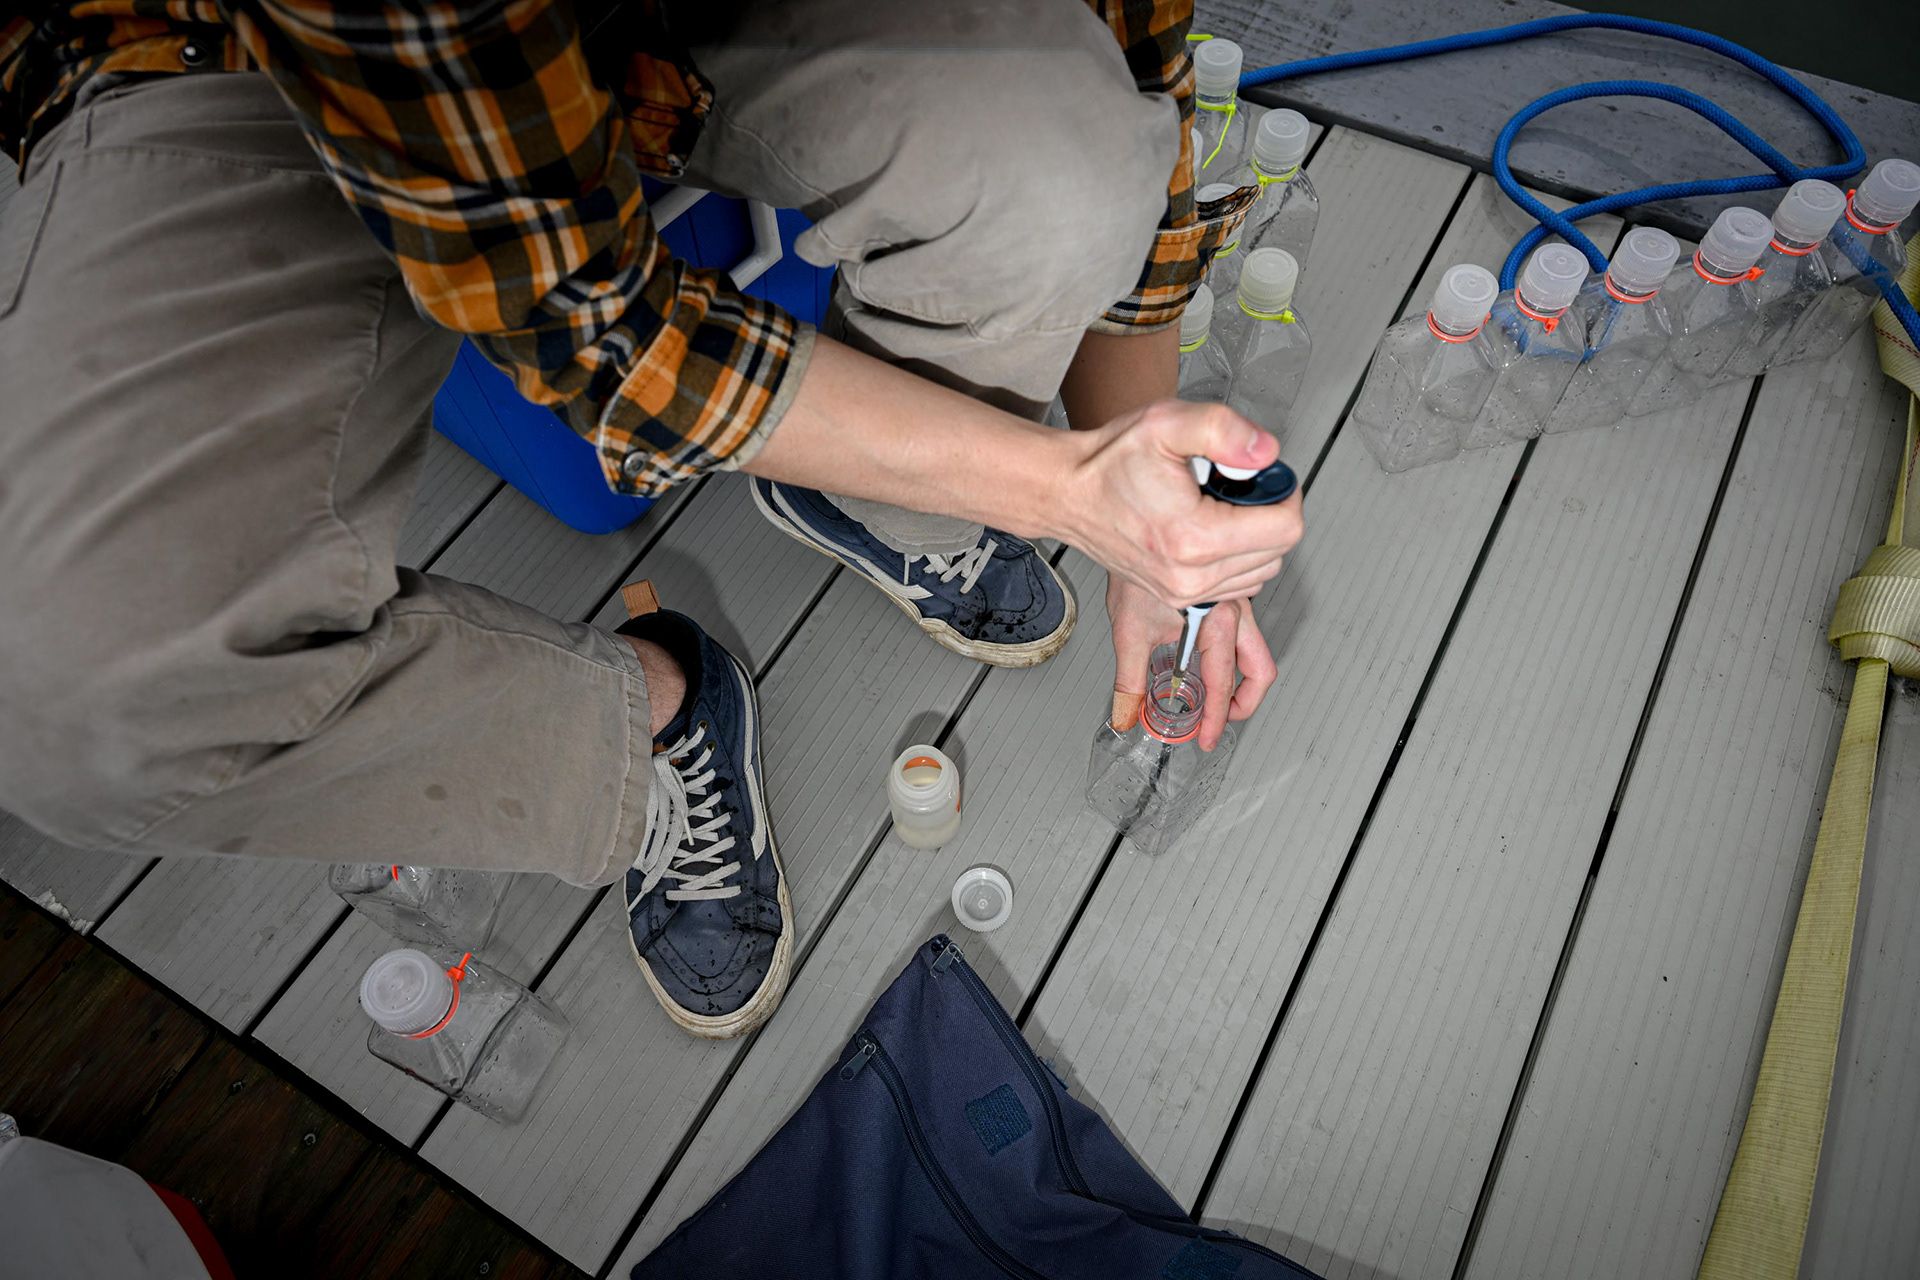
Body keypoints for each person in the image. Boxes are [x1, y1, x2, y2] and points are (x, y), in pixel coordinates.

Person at [0, 0, 1303, 1039]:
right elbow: (588, 319)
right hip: (248, 58)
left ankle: (880, 492)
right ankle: (651, 717)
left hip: (644, 33)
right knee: (84, 700)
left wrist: (1148, 508)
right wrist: (1071, 494)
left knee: (1067, 161)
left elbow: (1145, 71)